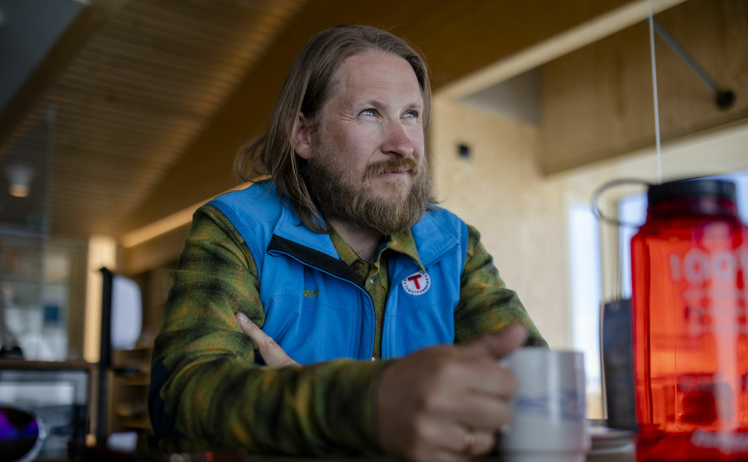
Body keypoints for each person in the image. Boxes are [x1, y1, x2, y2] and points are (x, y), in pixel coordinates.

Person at [148, 24, 547, 462]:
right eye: (370, 113)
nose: (402, 145)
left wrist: (288, 402)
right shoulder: (237, 230)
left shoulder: (453, 245)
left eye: (411, 114)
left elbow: (538, 397)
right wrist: (364, 405)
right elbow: (182, 399)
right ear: (303, 134)